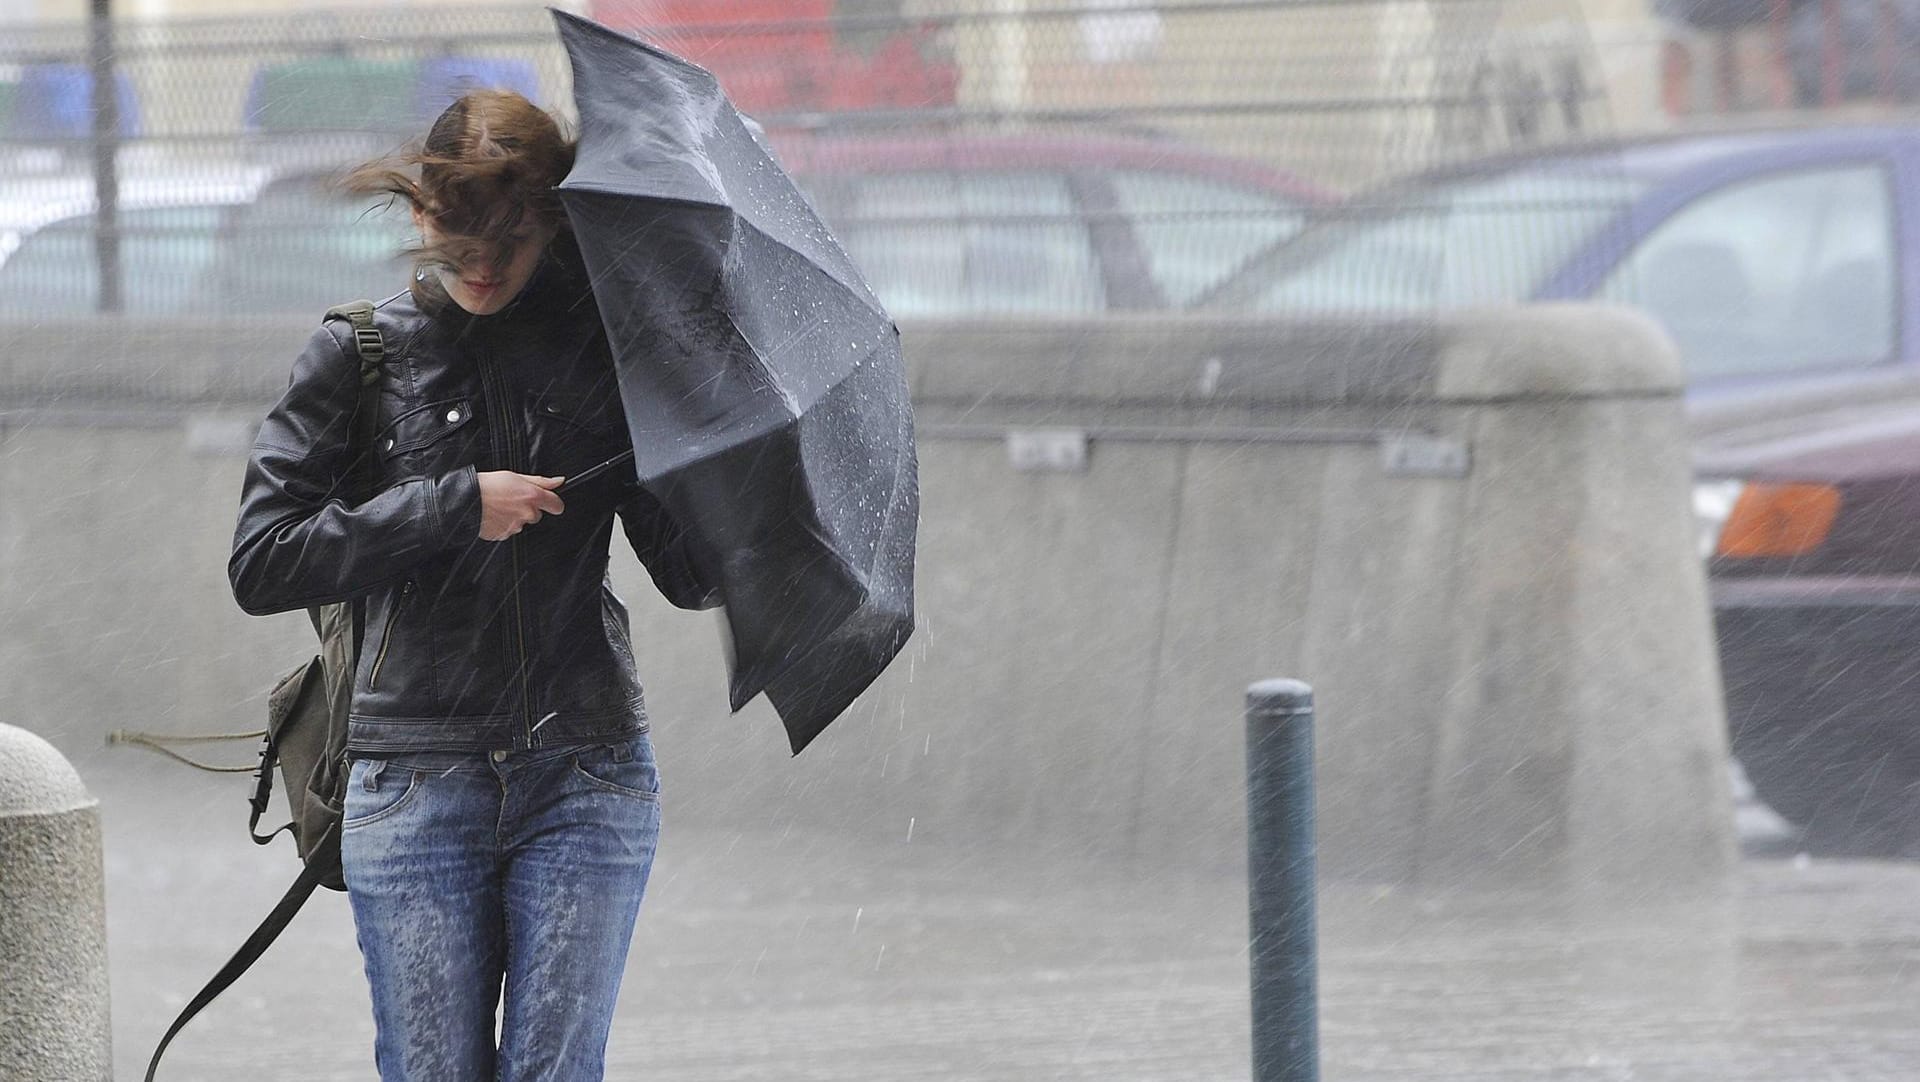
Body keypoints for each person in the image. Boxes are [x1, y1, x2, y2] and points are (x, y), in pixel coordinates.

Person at [227, 88, 718, 1081]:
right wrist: (451, 504)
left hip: (588, 770)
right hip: (414, 777)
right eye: (460, 241)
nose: (485, 269)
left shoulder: (604, 357)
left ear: (554, 221)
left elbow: (691, 574)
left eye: (514, 239)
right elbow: (262, 558)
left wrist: (701, 444)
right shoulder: (359, 355)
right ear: (421, 215)